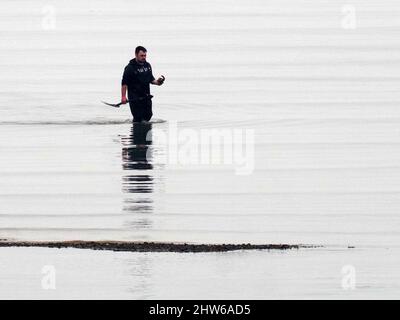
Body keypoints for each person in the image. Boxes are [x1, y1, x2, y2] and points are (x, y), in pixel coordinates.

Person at [121, 46, 165, 122]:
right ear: (136, 55)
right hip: (135, 98)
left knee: (148, 115)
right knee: (138, 119)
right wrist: (123, 97)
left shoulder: (147, 65)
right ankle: (136, 132)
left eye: (145, 55)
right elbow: (124, 83)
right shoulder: (129, 68)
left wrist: (158, 82)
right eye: (141, 56)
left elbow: (151, 79)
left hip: (146, 97)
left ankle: (143, 132)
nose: (144, 57)